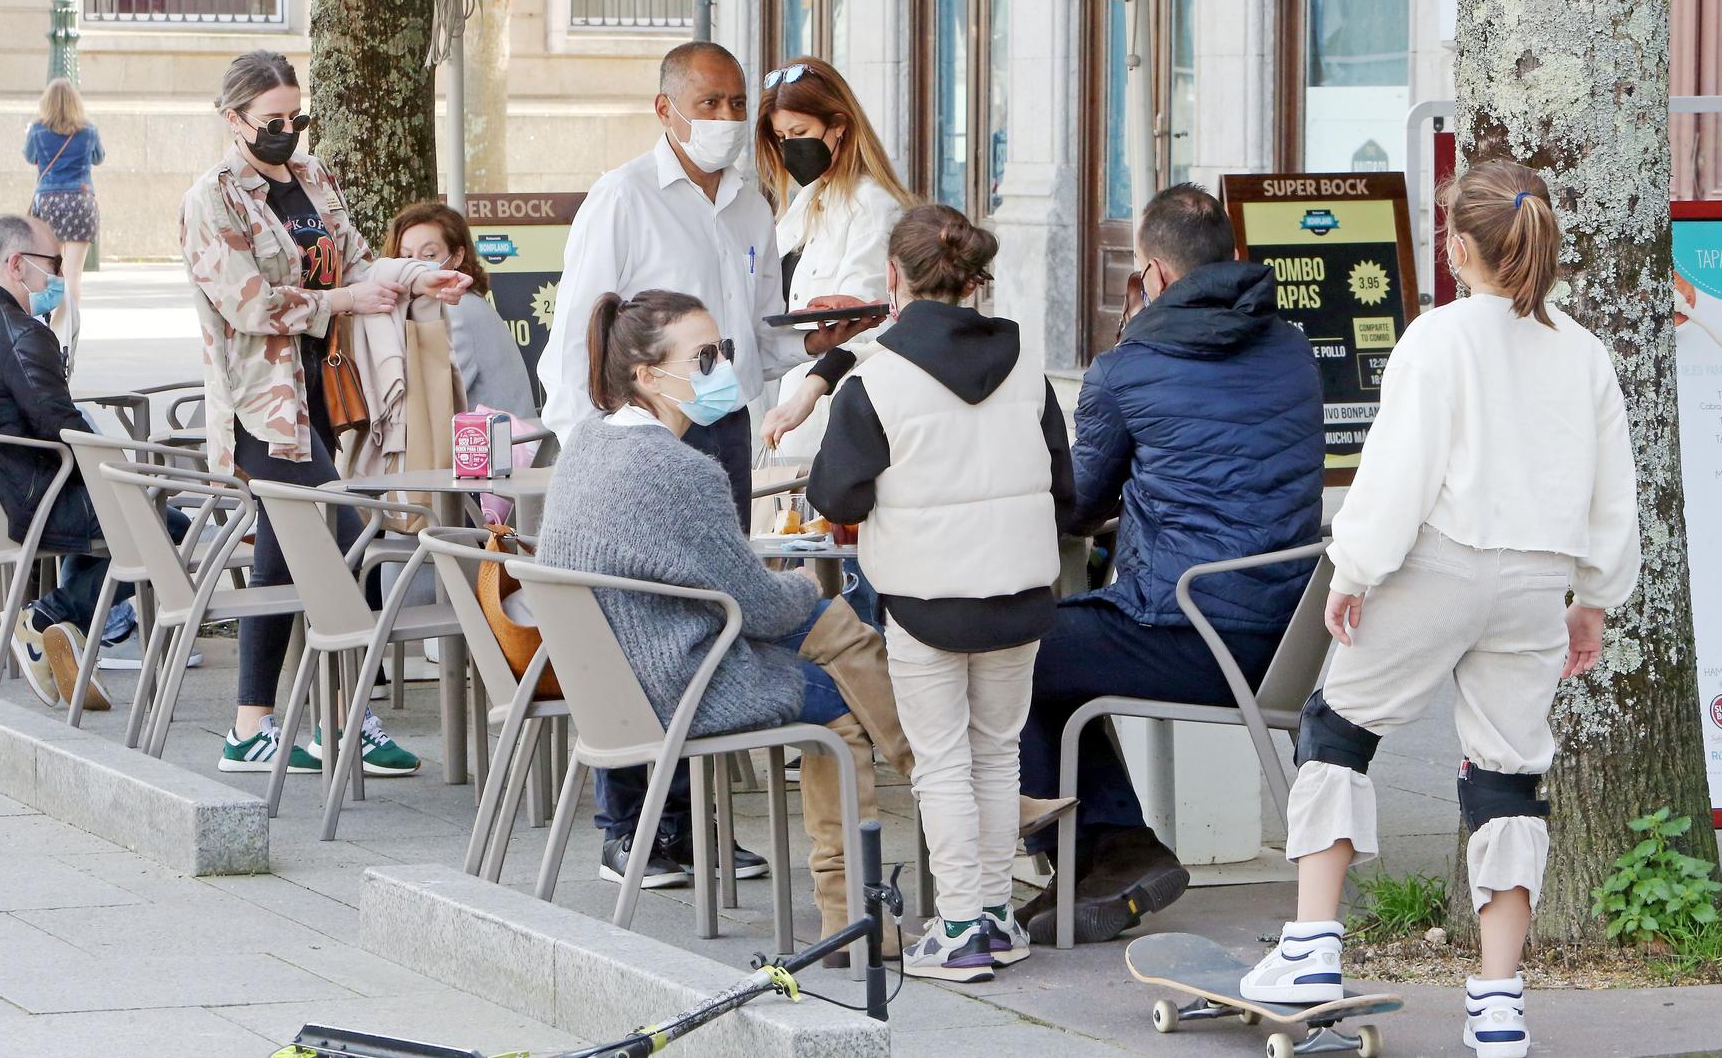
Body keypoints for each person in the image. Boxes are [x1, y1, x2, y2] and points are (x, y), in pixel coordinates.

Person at [1241, 159, 1638, 1058]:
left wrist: (1354, 568)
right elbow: (1615, 493)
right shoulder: (1583, 352)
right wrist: (1595, 598)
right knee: (1505, 776)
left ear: (1459, 246)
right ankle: (1499, 1004)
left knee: (1339, 725)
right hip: (1538, 581)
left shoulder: (1436, 336)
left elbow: (1399, 469)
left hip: (1443, 560)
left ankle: (1310, 948)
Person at [536, 40, 870, 886]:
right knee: (635, 613)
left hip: (720, 425)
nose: (725, 120)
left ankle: (697, 823)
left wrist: (818, 338)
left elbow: (757, 334)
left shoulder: (754, 205)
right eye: (709, 104)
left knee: (705, 613)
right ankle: (632, 823)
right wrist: (599, 448)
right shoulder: (624, 198)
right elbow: (578, 330)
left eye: (734, 104)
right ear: (666, 110)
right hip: (636, 430)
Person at [538, 288, 914, 961]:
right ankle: (857, 913)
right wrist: (800, 584)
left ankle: (938, 781)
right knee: (838, 708)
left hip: (617, 677)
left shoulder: (589, 442)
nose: (722, 369)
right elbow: (759, 606)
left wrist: (795, 597)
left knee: (829, 627)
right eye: (704, 356)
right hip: (679, 680)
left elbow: (736, 597)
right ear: (647, 374)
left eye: (724, 351)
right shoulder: (678, 470)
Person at [1015, 184, 1324, 944]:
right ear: (1233, 260)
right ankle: (1109, 849)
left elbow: (1079, 505)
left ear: (1150, 275)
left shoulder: (1129, 365)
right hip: (1291, 635)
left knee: (1008, 645)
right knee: (1047, 653)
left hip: (1190, 632)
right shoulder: (1293, 347)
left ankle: (1112, 848)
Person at [801, 205, 1075, 982]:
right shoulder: (1028, 363)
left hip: (926, 599)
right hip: (1021, 591)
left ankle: (957, 926)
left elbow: (839, 496)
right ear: (974, 279)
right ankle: (990, 915)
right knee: (996, 753)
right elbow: (1066, 479)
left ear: (894, 278)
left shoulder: (876, 378)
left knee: (942, 760)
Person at [182, 50, 470, 777]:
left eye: (295, 117)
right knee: (343, 537)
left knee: (288, 557)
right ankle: (343, 717)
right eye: (271, 121)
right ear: (233, 119)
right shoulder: (210, 198)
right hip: (262, 406)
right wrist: (339, 303)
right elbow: (247, 302)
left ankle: (254, 727)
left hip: (322, 393)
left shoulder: (312, 178)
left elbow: (358, 259)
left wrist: (414, 276)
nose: (287, 131)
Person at [0, 214, 168, 710]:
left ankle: (66, 628)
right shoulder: (22, 332)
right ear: (17, 265)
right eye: (55, 264)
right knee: (163, 523)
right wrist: (132, 475)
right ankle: (47, 619)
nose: (61, 277)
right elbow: (68, 433)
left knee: (119, 512)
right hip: (22, 504)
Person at [754, 56, 914, 460]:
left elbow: (868, 327)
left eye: (800, 132)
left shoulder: (873, 207)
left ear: (839, 125)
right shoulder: (805, 202)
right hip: (788, 412)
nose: (791, 147)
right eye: (782, 137)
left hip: (835, 416)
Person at [384, 201, 538, 417]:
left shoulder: (455, 308)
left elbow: (432, 401)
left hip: (494, 446)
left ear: (457, 257)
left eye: (429, 255)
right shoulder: (450, 303)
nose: (416, 266)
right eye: (407, 257)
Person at [24, 77, 103, 339]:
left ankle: (50, 326)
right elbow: (98, 158)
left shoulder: (37, 130)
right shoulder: (88, 130)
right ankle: (68, 331)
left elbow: (29, 157)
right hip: (80, 200)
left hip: (49, 201)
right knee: (73, 272)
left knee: (50, 268)